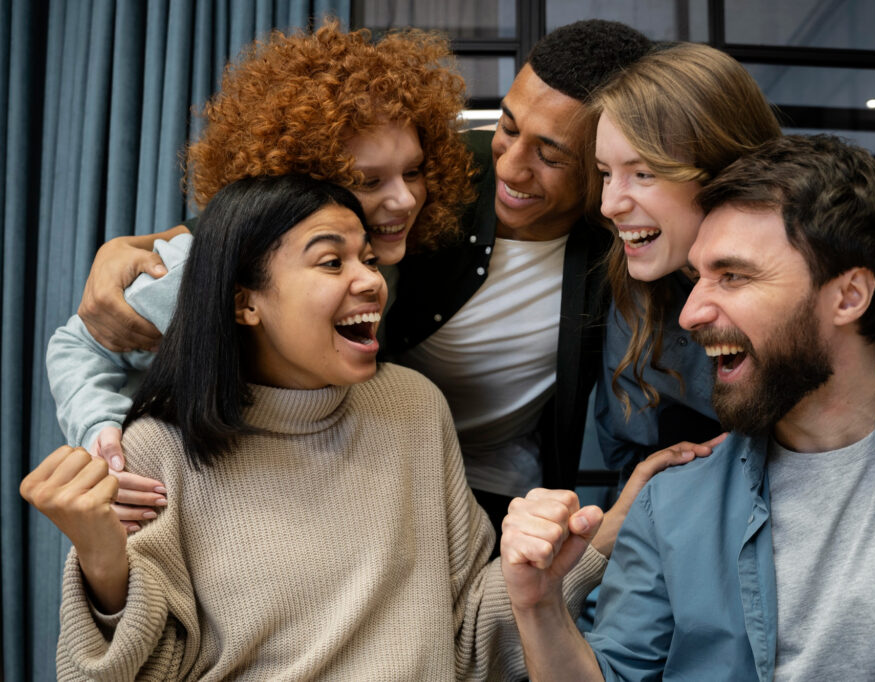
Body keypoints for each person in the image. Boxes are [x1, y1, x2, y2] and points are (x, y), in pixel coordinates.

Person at [65, 20, 657, 534]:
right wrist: (134, 255)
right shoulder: (415, 177)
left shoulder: (624, 233)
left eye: (552, 156)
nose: (508, 163)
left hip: (480, 490)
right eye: (505, 125)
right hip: (310, 476)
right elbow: (237, 236)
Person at [24, 174, 613, 680]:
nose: (370, 281)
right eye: (332, 261)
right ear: (244, 303)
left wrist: (603, 535)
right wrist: (102, 562)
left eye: (369, 259)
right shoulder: (157, 449)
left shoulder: (413, 409)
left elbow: (468, 640)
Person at [500, 135, 875, 679]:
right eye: (698, 277)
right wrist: (538, 605)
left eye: (733, 276)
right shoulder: (672, 505)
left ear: (848, 297)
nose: (692, 312)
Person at [47, 22, 475, 529]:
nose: (404, 200)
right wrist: (106, 439)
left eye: (414, 171)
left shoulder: (382, 250)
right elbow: (75, 346)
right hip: (176, 498)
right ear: (300, 176)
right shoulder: (201, 270)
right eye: (368, 180)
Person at [586, 42, 782, 478]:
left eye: (643, 173)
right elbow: (627, 456)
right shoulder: (635, 287)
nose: (609, 205)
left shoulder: (815, 282)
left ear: (724, 171)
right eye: (605, 173)